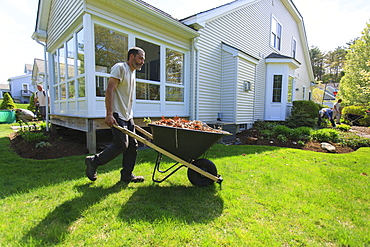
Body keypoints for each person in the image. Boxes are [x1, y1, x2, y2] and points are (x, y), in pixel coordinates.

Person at [85, 47, 145, 183]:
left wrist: (130, 115)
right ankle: (93, 162)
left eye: (143, 59)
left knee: (132, 146)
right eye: (140, 58)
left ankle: (127, 175)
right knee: (121, 145)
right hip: (117, 114)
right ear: (131, 57)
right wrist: (109, 114)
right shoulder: (120, 68)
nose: (142, 62)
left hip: (128, 115)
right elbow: (110, 90)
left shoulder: (132, 72)